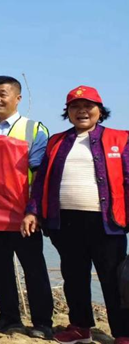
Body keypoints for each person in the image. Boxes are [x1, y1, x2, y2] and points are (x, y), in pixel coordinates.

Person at [23, 86, 129, 344]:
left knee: (113, 279)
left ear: (99, 111)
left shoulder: (120, 139)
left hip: (107, 222)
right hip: (65, 221)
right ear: (68, 112)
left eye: (88, 106)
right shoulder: (56, 141)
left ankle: (123, 332)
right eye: (75, 107)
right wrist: (32, 211)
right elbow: (41, 181)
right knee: (74, 277)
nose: (82, 111)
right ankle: (81, 327)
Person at [0, 76, 54, 339]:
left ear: (17, 98)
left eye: (2, 94)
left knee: (33, 266)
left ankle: (42, 322)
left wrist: (34, 210)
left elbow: (39, 173)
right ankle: (8, 317)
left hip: (22, 211)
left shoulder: (34, 129)